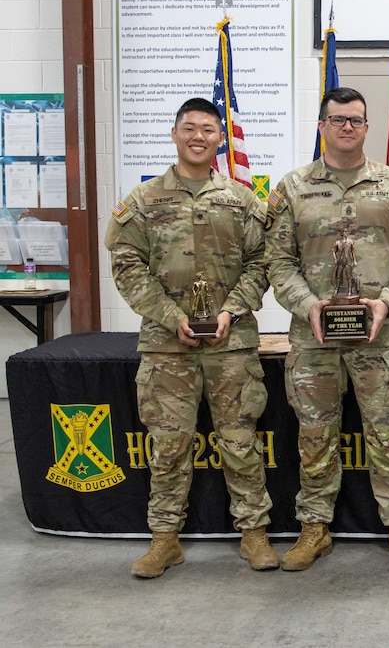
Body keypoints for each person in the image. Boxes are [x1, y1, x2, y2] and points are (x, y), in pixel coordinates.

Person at [105, 97, 277, 578]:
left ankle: (254, 534)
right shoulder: (143, 200)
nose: (198, 136)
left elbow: (263, 263)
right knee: (169, 445)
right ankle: (164, 540)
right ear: (175, 133)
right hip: (166, 346)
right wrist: (167, 315)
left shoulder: (241, 201)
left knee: (241, 440)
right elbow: (126, 264)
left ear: (220, 138)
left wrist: (230, 310)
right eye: (190, 128)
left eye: (207, 129)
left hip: (231, 342)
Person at [265, 87, 389, 572]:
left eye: (355, 120)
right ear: (322, 126)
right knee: (314, 435)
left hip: (381, 339)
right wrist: (308, 305)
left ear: (367, 127)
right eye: (337, 119)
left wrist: (387, 303)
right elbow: (277, 261)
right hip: (314, 340)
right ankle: (314, 527)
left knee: (387, 433)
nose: (346, 127)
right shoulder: (291, 189)